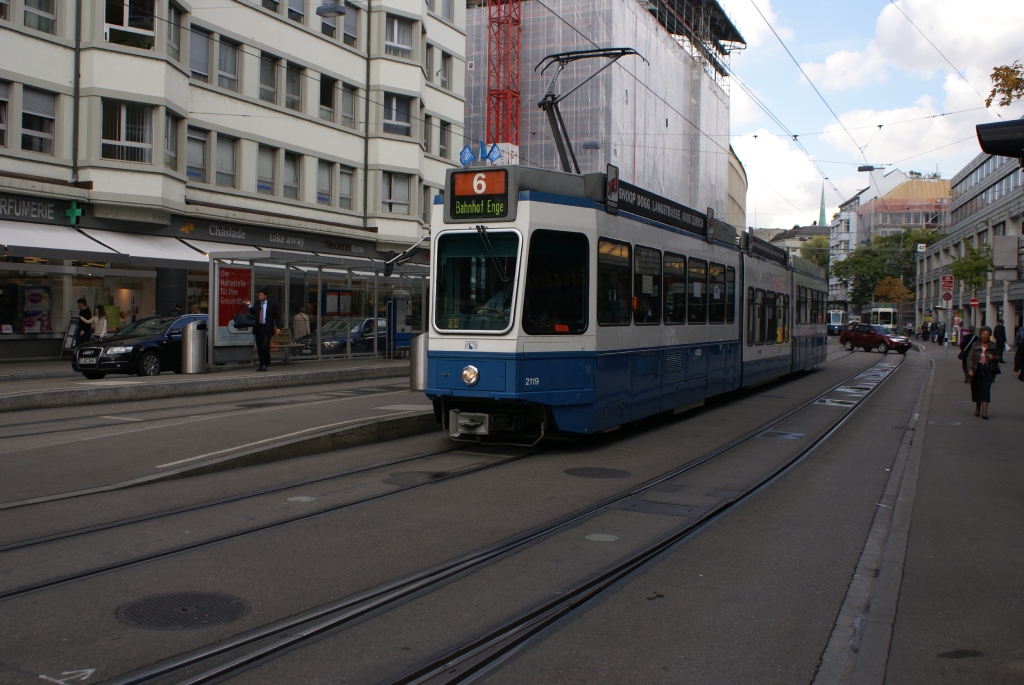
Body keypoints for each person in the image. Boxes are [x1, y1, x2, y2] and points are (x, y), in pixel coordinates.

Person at [245, 288, 281, 371]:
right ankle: (262, 365)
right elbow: (254, 314)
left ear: (266, 296)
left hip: (267, 328)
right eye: (259, 295)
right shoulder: (257, 304)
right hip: (258, 327)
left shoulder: (272, 305)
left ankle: (266, 361)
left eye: (261, 295)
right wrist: (249, 305)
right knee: (259, 347)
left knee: (265, 345)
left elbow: (277, 317)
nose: (259, 296)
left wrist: (278, 327)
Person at [966, 325, 996, 419]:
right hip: (977, 369)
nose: (985, 336)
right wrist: (970, 369)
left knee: (986, 390)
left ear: (989, 335)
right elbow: (970, 358)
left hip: (987, 370)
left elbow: (999, 357)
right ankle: (977, 409)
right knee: (977, 390)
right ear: (980, 334)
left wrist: (994, 357)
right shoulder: (975, 345)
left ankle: (984, 412)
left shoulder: (993, 345)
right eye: (983, 334)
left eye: (987, 334)